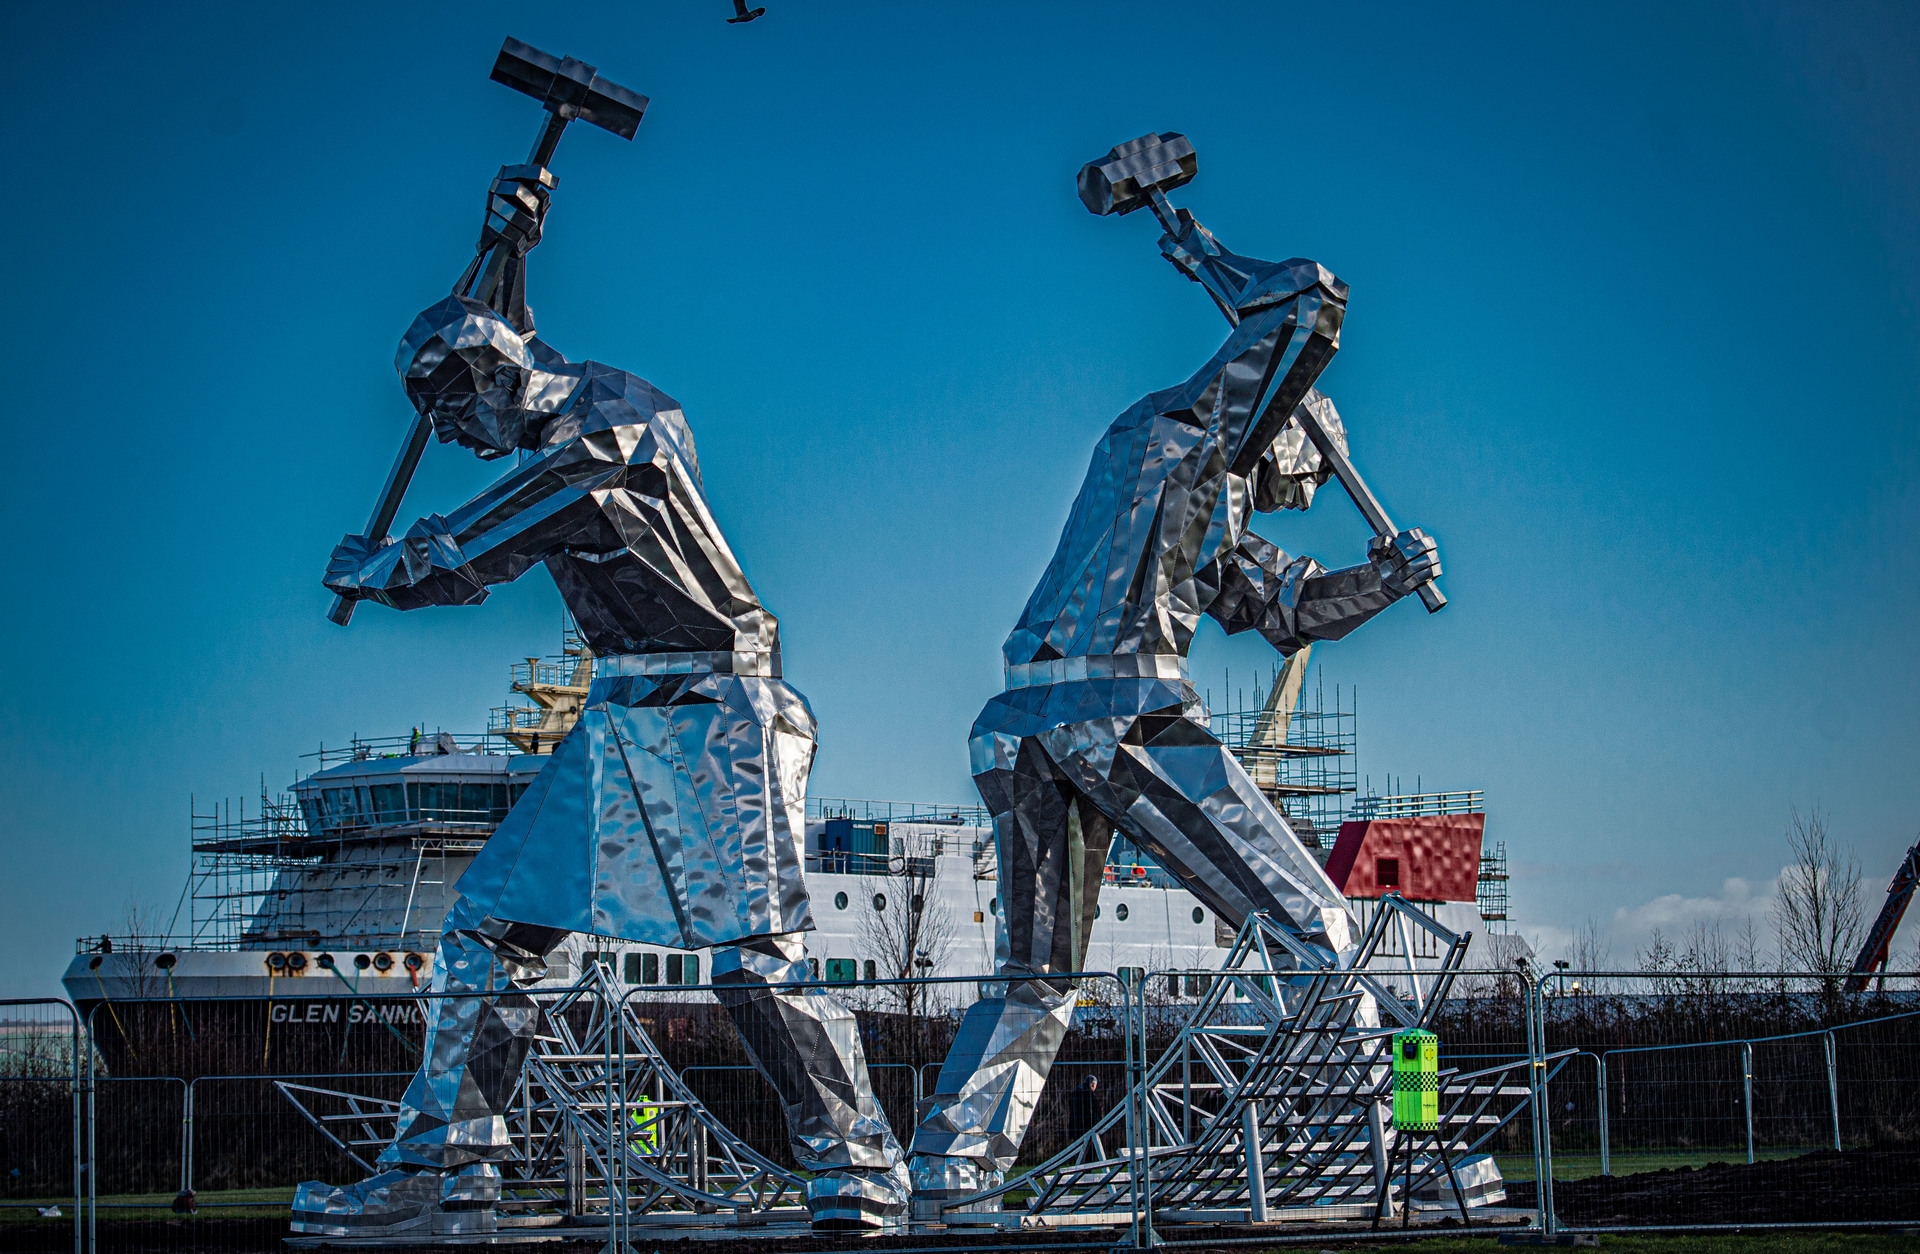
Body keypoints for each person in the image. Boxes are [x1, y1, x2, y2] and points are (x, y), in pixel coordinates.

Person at [294, 164, 907, 1236]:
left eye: (447, 412)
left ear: (480, 381)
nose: (447, 438)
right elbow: (524, 367)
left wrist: (382, 569)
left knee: (753, 965)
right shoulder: (586, 401)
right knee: (488, 930)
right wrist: (516, 250)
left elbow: (482, 544)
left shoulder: (603, 441)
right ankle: (447, 1175)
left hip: (716, 708)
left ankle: (858, 1170)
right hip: (628, 714)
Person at [905, 193, 1442, 1210]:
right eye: (1300, 479)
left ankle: (950, 1169)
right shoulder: (1184, 436)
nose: (1295, 500)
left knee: (1038, 977)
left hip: (1023, 724)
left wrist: (1384, 581)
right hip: (1123, 709)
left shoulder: (1200, 495)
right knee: (1324, 931)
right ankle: (1389, 1157)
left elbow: (1286, 608)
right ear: (1284, 428)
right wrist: (1208, 251)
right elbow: (1305, 305)